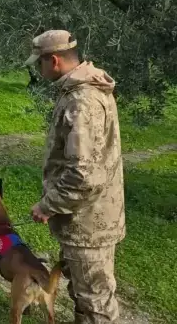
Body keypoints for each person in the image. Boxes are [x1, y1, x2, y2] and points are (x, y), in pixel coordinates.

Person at [26, 30, 125, 324]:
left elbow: (83, 174)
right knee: (85, 295)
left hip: (88, 223)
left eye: (38, 64)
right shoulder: (82, 91)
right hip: (86, 217)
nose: (38, 70)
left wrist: (48, 205)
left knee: (95, 302)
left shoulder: (82, 101)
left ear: (53, 60)